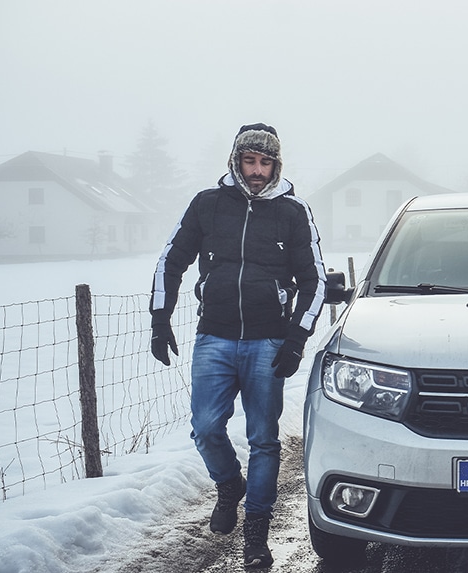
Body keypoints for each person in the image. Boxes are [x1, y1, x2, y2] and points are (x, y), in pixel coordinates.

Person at [149, 123, 325, 569]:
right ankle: (229, 485)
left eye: (266, 162)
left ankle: (256, 535)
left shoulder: (293, 211)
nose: (257, 171)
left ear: (276, 165)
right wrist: (159, 316)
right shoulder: (208, 204)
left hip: (268, 341)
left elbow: (314, 280)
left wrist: (297, 339)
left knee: (263, 440)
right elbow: (172, 258)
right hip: (215, 336)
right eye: (250, 161)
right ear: (236, 160)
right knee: (206, 427)